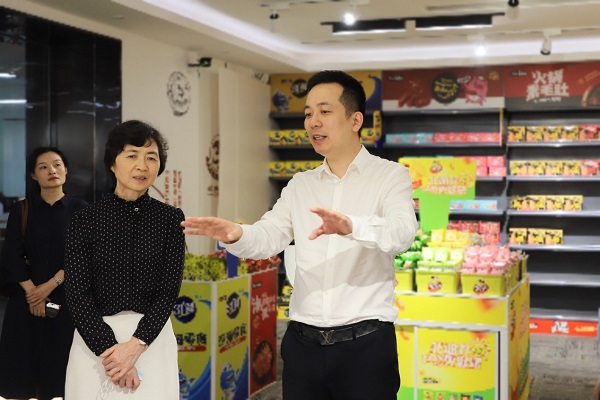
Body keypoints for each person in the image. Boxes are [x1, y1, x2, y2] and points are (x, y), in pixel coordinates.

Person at [182, 70, 419, 399]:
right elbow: (269, 236)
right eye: (308, 114)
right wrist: (236, 234)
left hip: (364, 348)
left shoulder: (390, 176)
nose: (313, 122)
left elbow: (402, 233)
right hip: (303, 347)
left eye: (325, 111)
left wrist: (352, 226)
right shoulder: (300, 185)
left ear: (355, 120)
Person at [64, 120, 186, 399]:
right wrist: (112, 353)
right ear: (112, 163)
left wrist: (135, 346)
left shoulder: (170, 219)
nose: (142, 166)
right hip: (94, 343)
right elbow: (77, 293)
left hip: (151, 341)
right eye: (132, 155)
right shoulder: (85, 220)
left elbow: (168, 291)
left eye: (151, 157)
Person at [0, 147, 88, 400]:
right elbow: (12, 254)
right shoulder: (22, 209)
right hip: (24, 299)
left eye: (57, 164)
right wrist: (33, 293)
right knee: (22, 367)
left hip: (65, 298)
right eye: (43, 167)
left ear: (66, 170)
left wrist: (48, 287)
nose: (52, 170)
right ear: (33, 175)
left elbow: (83, 254)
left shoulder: (81, 209)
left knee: (60, 366)